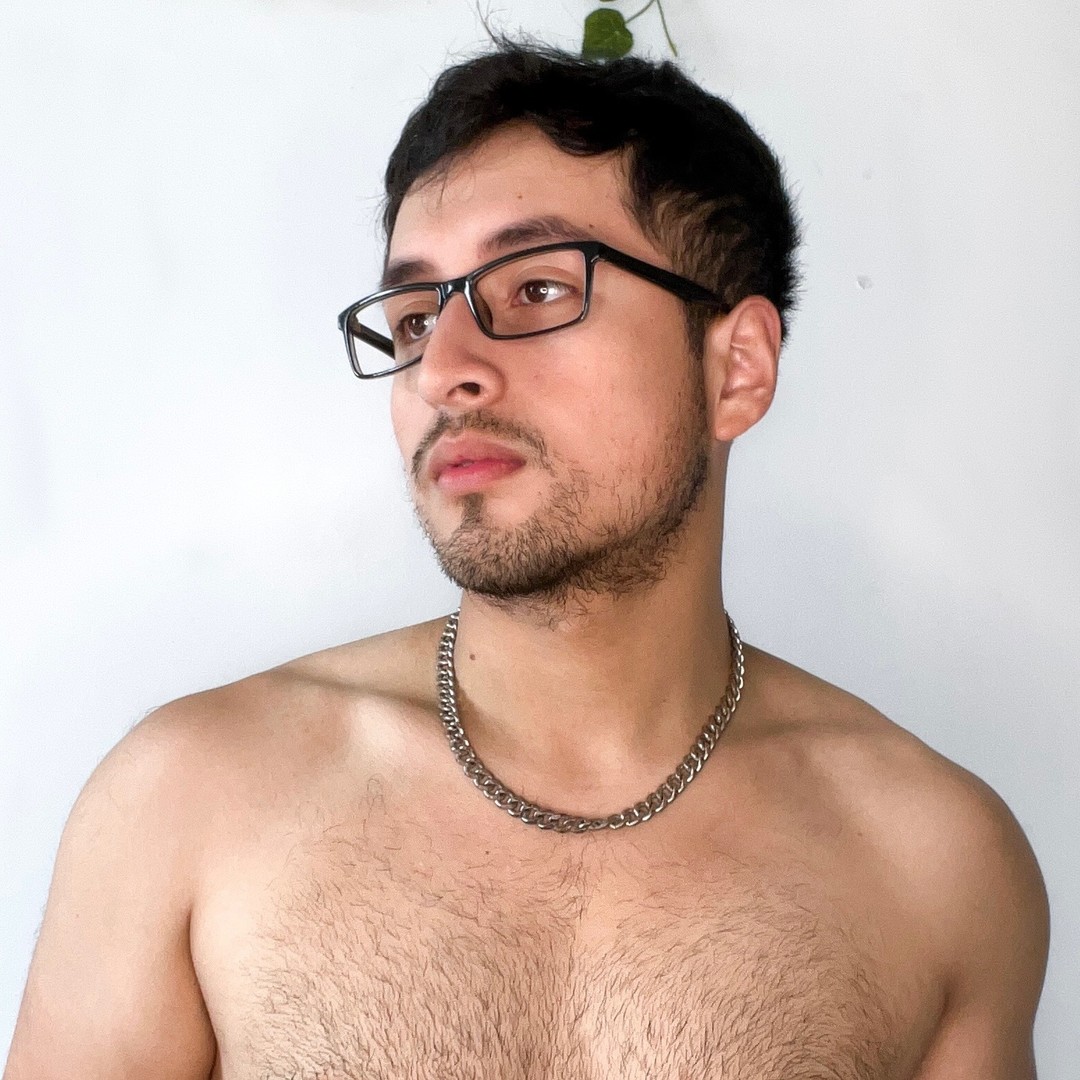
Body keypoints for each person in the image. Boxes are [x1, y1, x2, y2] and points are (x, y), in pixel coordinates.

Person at [5, 42, 1049, 1080]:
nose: (444, 368)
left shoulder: (939, 868)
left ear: (737, 368)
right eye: (416, 318)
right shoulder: (187, 805)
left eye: (539, 289)